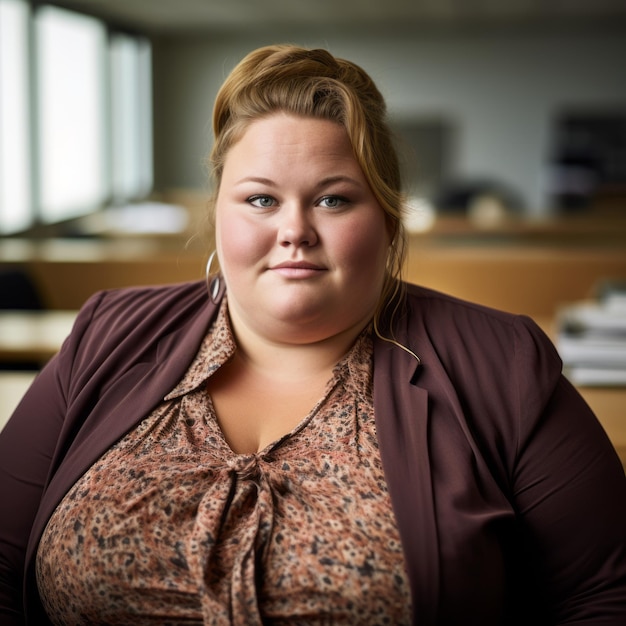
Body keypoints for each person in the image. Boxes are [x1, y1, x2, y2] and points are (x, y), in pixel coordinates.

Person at [1, 44, 625, 626]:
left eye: (332, 200)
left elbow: (603, 594)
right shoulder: (107, 334)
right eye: (261, 200)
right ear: (218, 211)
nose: (294, 229)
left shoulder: (501, 364)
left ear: (385, 216)